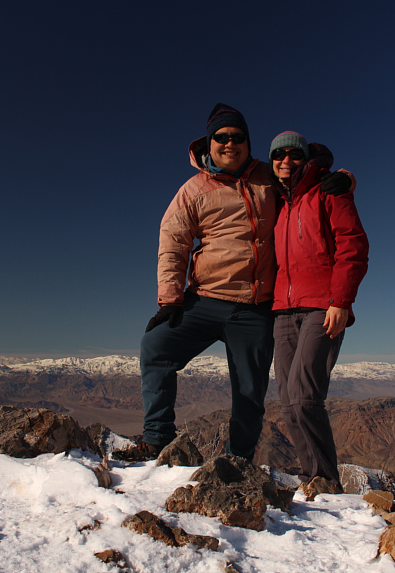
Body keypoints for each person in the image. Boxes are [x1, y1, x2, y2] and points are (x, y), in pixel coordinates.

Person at [114, 105, 351, 463]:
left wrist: (344, 177)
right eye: (221, 137)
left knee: (249, 391)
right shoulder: (193, 190)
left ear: (247, 142)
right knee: (156, 348)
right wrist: (170, 300)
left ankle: (238, 460)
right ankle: (157, 438)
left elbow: (305, 176)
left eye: (237, 137)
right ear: (208, 145)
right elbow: (173, 242)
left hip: (255, 307)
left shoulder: (266, 177)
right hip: (205, 299)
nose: (230, 143)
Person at [268, 131, 368, 498]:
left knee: (305, 395)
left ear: (307, 157)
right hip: (282, 311)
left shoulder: (328, 190)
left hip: (323, 306)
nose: (286, 161)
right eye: (279, 156)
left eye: (294, 155)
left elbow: (353, 245)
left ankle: (327, 481)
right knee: (287, 401)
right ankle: (312, 478)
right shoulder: (277, 202)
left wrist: (341, 300)